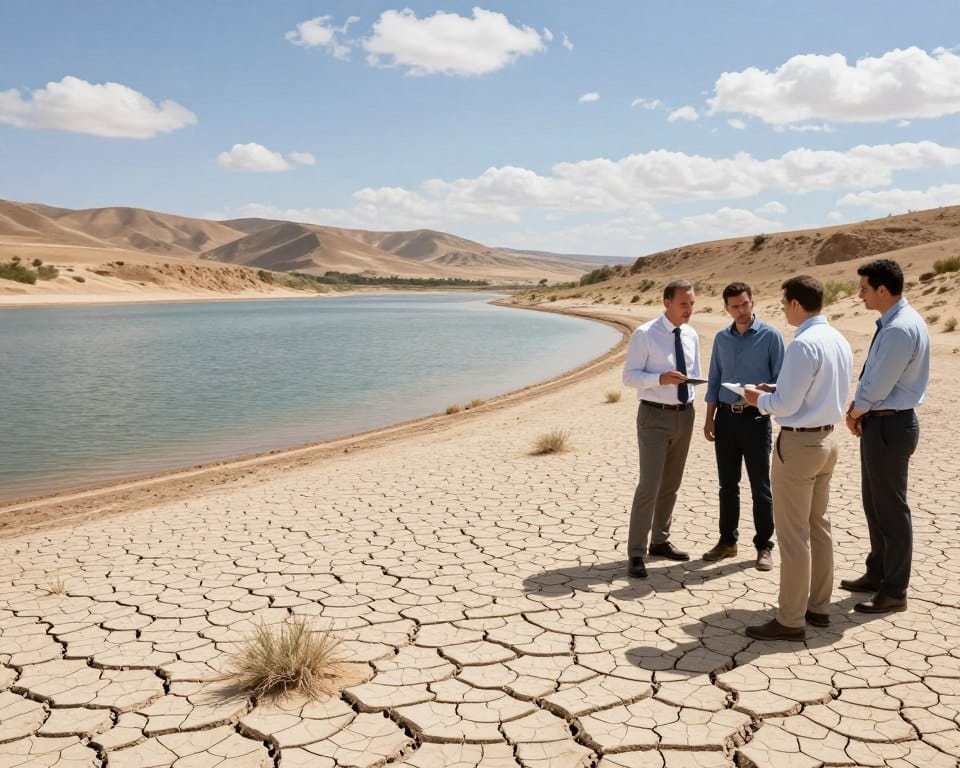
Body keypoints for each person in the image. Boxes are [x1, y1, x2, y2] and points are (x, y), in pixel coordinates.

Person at [741, 276, 853, 641]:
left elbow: (787, 405)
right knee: (818, 526)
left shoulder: (803, 344)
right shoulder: (837, 339)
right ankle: (818, 607)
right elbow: (814, 390)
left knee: (793, 535)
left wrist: (759, 399)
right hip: (827, 440)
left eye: (783, 301)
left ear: (794, 304)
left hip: (800, 445)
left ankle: (790, 620)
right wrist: (777, 391)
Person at [842, 259, 929, 614]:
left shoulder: (898, 329)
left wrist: (855, 411)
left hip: (890, 424)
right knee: (874, 503)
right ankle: (877, 572)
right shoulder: (895, 323)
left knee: (891, 510)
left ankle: (894, 590)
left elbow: (880, 383)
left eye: (864, 289)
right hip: (881, 422)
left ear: (882, 289)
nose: (859, 295)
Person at [622, 279, 701, 579]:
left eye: (692, 303)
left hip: (685, 414)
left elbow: (694, 373)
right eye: (684, 303)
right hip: (654, 416)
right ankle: (636, 552)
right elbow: (629, 377)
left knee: (671, 484)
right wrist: (660, 379)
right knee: (650, 485)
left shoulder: (691, 335)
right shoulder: (645, 334)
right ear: (666, 302)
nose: (689, 309)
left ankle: (660, 541)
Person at [703, 282, 785, 571]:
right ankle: (727, 542)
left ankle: (764, 546)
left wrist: (763, 392)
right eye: (734, 306)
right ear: (726, 308)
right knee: (728, 485)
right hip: (725, 418)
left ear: (753, 303)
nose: (740, 311)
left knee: (760, 486)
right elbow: (714, 379)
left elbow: (783, 381)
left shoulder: (771, 336)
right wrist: (709, 417)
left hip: (756, 419)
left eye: (745, 304)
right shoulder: (721, 339)